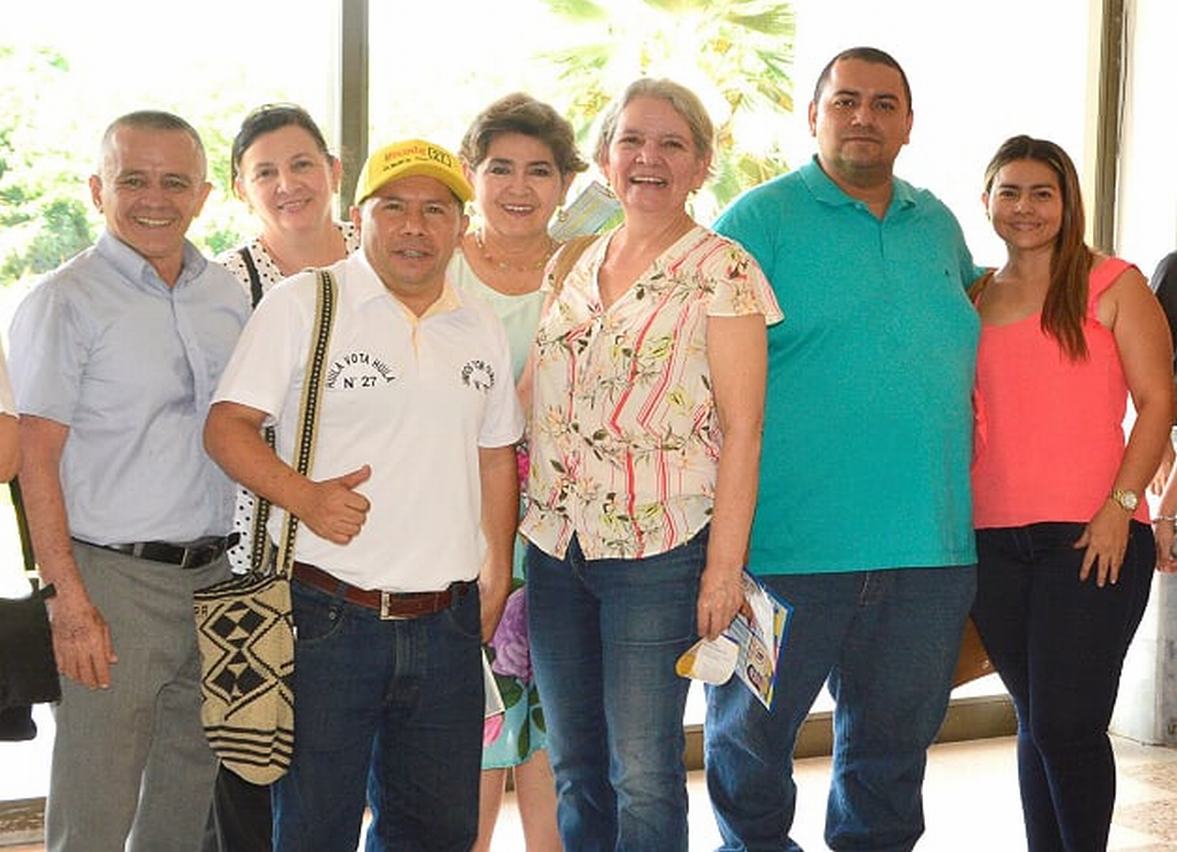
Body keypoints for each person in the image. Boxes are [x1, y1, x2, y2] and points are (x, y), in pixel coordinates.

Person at [204, 138, 523, 852]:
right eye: (394, 207)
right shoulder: (306, 302)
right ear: (358, 217)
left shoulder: (477, 322)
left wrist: (497, 571)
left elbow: (495, 455)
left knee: (438, 832)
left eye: (435, 210)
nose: (415, 226)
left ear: (459, 226)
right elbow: (226, 429)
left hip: (446, 622)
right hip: (328, 618)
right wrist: (305, 496)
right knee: (315, 829)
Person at [705, 47, 980, 851]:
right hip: (780, 549)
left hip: (926, 552)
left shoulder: (938, 224)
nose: (864, 116)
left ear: (908, 123)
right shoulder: (756, 220)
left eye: (884, 103)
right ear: (813, 115)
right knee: (747, 738)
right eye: (845, 100)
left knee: (893, 750)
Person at [522, 78, 782, 852]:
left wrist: (722, 571)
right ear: (604, 157)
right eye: (631, 140)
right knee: (574, 764)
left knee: (641, 772)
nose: (648, 157)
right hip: (555, 547)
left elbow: (744, 430)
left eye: (672, 144)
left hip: (657, 553)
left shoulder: (723, 270)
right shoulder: (572, 259)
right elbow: (531, 397)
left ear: (701, 165)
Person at [7, 110, 248, 852]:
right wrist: (66, 599)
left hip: (215, 578)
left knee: (185, 795)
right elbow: (33, 459)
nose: (155, 199)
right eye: (133, 180)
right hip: (111, 583)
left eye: (175, 182)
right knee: (96, 807)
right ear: (96, 189)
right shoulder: (64, 300)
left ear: (202, 195)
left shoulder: (228, 295)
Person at [970, 135, 1173, 851]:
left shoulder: (1111, 283)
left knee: (1066, 724)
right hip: (992, 540)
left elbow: (1158, 402)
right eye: (1009, 192)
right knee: (1035, 721)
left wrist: (1121, 508)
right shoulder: (974, 297)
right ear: (987, 200)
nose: (1024, 207)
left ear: (1067, 202)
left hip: (1091, 536)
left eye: (1041, 193)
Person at [205, 102, 359, 852]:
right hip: (263, 551)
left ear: (334, 171)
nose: (287, 184)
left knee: (354, 746)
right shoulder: (224, 285)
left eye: (302, 164)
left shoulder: (385, 255)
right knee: (254, 743)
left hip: (382, 545)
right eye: (265, 172)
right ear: (242, 189)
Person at [454, 92, 587, 852]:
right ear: (471, 173)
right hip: (456, 526)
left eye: (540, 170)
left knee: (554, 732)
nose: (518, 186)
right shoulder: (437, 264)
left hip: (566, 526)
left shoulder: (591, 265)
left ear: (565, 183)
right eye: (500, 167)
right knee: (469, 734)